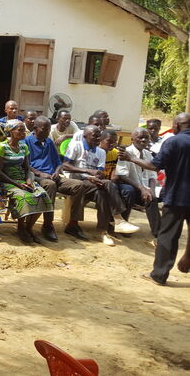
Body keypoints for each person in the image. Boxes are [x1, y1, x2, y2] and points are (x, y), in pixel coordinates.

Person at [121, 113, 190, 285]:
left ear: (176, 125)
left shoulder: (174, 142)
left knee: (168, 236)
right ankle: (187, 259)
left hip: (177, 197)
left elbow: (153, 165)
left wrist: (131, 158)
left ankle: (159, 275)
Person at [63, 125, 138, 246]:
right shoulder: (76, 145)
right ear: (85, 136)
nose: (97, 138)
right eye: (95, 135)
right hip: (76, 182)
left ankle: (102, 232)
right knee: (107, 183)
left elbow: (100, 173)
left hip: (92, 184)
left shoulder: (101, 152)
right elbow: (65, 166)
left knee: (102, 193)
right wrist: (87, 172)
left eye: (99, 136)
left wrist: (95, 178)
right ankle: (118, 219)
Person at [0, 119, 53, 244]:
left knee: (43, 196)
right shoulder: (1, 147)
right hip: (7, 181)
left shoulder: (23, 146)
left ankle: (29, 227)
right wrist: (18, 185)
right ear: (11, 131)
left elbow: (27, 168)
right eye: (20, 130)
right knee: (25, 198)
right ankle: (21, 227)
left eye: (24, 130)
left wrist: (29, 181)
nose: (23, 133)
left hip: (23, 180)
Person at [24, 116, 77, 242]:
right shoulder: (27, 142)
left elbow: (59, 163)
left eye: (48, 129)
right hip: (36, 176)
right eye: (45, 129)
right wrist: (40, 174)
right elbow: (25, 165)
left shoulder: (49, 142)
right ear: (36, 129)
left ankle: (73, 224)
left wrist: (57, 172)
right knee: (51, 185)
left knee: (78, 185)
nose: (48, 132)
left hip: (53, 176)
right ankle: (48, 225)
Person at [115, 128, 160, 242]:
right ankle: (124, 223)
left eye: (146, 138)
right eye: (140, 137)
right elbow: (122, 175)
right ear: (132, 139)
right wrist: (142, 188)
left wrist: (152, 190)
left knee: (152, 198)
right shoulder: (125, 152)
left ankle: (158, 233)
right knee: (128, 191)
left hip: (143, 188)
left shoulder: (147, 154)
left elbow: (152, 176)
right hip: (129, 186)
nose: (143, 140)